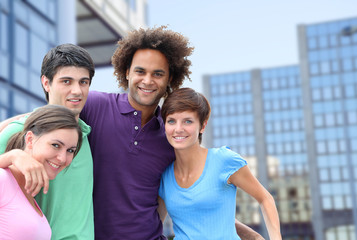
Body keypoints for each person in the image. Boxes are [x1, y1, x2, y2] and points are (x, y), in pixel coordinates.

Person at [80, 26, 263, 239]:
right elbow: (46, 117)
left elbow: (198, 198)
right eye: (140, 71)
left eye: (158, 74)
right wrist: (29, 155)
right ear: (127, 72)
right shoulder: (93, 106)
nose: (147, 81)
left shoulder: (172, 135)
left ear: (169, 79)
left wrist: (253, 237)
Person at [159, 88, 282, 239]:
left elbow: (265, 199)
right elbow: (156, 225)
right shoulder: (164, 175)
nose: (178, 129)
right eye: (171, 121)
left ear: (202, 126)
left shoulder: (224, 161)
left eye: (188, 121)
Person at [0, 43, 95, 239]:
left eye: (83, 82)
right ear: (46, 83)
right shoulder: (22, 130)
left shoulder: (84, 134)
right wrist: (13, 155)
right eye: (66, 81)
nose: (77, 91)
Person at [0, 105, 82, 240]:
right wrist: (12, 156)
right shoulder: (3, 179)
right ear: (30, 140)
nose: (62, 158)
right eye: (56, 145)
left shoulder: (30, 196)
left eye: (70, 150)